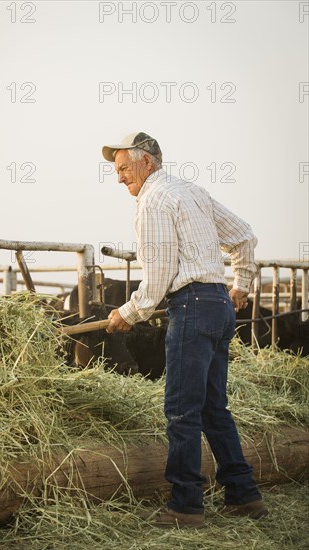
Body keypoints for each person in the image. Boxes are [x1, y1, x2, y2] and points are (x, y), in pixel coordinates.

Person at [102, 132, 268, 529]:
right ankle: (243, 495)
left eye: (124, 168)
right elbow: (244, 235)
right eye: (117, 170)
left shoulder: (153, 201)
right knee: (214, 408)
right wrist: (240, 285)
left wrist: (129, 312)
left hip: (191, 306)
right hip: (218, 305)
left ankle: (186, 505)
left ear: (147, 162)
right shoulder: (190, 191)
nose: (120, 178)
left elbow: (157, 279)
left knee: (181, 411)